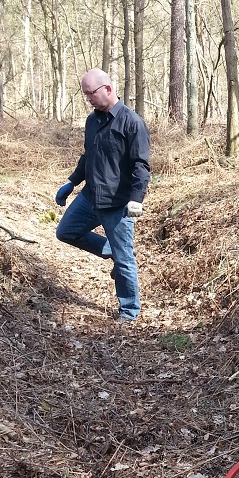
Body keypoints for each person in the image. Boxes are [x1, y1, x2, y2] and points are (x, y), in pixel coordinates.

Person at [55, 69, 150, 324]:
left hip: (117, 204)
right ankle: (111, 249)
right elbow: (88, 156)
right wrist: (72, 182)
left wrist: (136, 199)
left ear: (107, 89)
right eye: (85, 95)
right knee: (65, 231)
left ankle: (129, 312)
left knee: (124, 260)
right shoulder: (92, 121)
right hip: (90, 197)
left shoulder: (132, 123)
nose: (89, 99)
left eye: (91, 93)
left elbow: (141, 165)